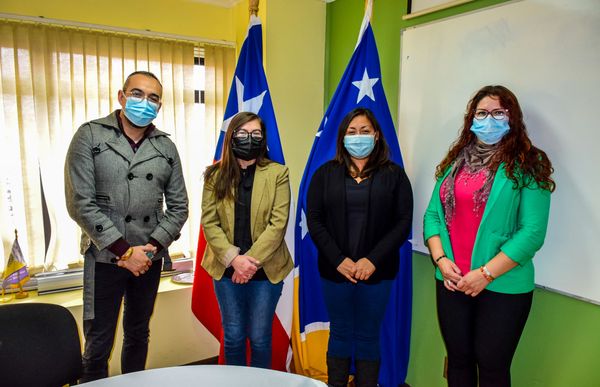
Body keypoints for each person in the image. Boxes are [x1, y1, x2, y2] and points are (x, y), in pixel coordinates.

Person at [423, 85, 555, 387]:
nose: (489, 120)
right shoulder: (456, 161)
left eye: (498, 113)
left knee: (493, 369)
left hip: (503, 286)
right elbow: (432, 215)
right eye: (482, 113)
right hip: (452, 281)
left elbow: (532, 232)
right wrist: (441, 260)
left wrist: (484, 274)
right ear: (471, 119)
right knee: (458, 362)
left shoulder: (528, 163)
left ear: (513, 118)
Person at [65, 71, 189, 382]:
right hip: (105, 257)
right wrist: (123, 251)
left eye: (153, 98)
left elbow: (178, 207)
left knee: (138, 334)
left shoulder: (166, 147)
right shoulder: (90, 135)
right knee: (97, 344)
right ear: (121, 97)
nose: (144, 102)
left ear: (159, 106)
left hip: (148, 259)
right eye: (137, 94)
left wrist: (151, 248)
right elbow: (81, 203)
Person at [307, 107, 413, 387]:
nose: (358, 137)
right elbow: (315, 221)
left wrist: (372, 260)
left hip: (377, 272)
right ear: (342, 138)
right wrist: (339, 260)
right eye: (352, 132)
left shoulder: (395, 175)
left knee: (368, 335)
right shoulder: (324, 174)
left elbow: (403, 223)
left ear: (376, 135)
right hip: (334, 270)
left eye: (365, 131)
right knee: (340, 332)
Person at [201, 111, 293, 369]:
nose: (249, 139)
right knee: (232, 337)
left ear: (263, 140)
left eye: (256, 134)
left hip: (265, 270)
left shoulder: (278, 173)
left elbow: (278, 224)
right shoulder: (214, 175)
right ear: (231, 137)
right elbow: (209, 222)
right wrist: (234, 260)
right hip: (226, 268)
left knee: (261, 338)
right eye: (242, 133)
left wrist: (248, 263)